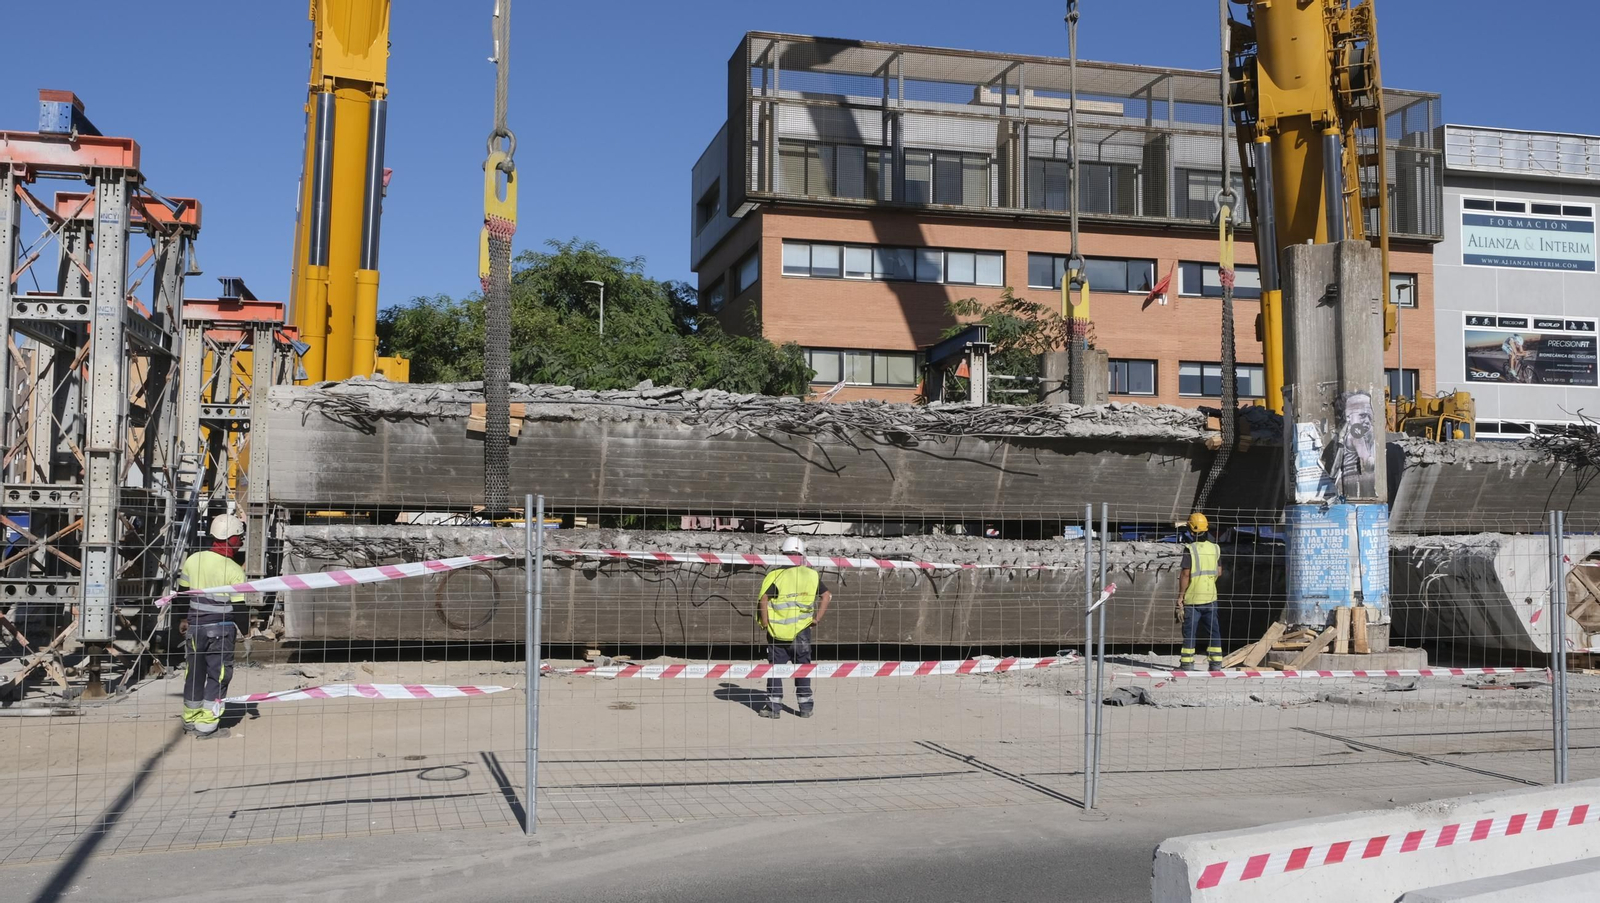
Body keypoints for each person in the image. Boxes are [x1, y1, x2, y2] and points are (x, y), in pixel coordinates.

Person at [177, 513, 247, 738]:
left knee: (194, 673)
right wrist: (246, 632)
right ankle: (207, 725)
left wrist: (183, 619)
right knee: (218, 675)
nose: (241, 540)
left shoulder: (193, 559)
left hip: (195, 628)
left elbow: (181, 594)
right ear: (229, 538)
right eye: (239, 536)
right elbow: (240, 608)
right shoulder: (234, 569)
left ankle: (190, 718)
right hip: (221, 631)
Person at [756, 537, 831, 719]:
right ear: (801, 555)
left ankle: (773, 708)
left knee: (775, 669)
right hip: (802, 632)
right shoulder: (811, 575)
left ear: (783, 554)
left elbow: (763, 599)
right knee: (803, 668)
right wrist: (817, 619)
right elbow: (827, 596)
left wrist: (765, 623)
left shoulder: (775, 575)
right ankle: (805, 708)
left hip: (777, 632)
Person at [1174, 512, 1224, 671]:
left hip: (1193, 599)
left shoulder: (1190, 549)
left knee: (1190, 633)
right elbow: (1219, 572)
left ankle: (1187, 664)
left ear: (1191, 530)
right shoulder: (1215, 548)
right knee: (1213, 631)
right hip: (1210, 597)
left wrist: (1181, 596)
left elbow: (1185, 574)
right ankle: (1216, 664)